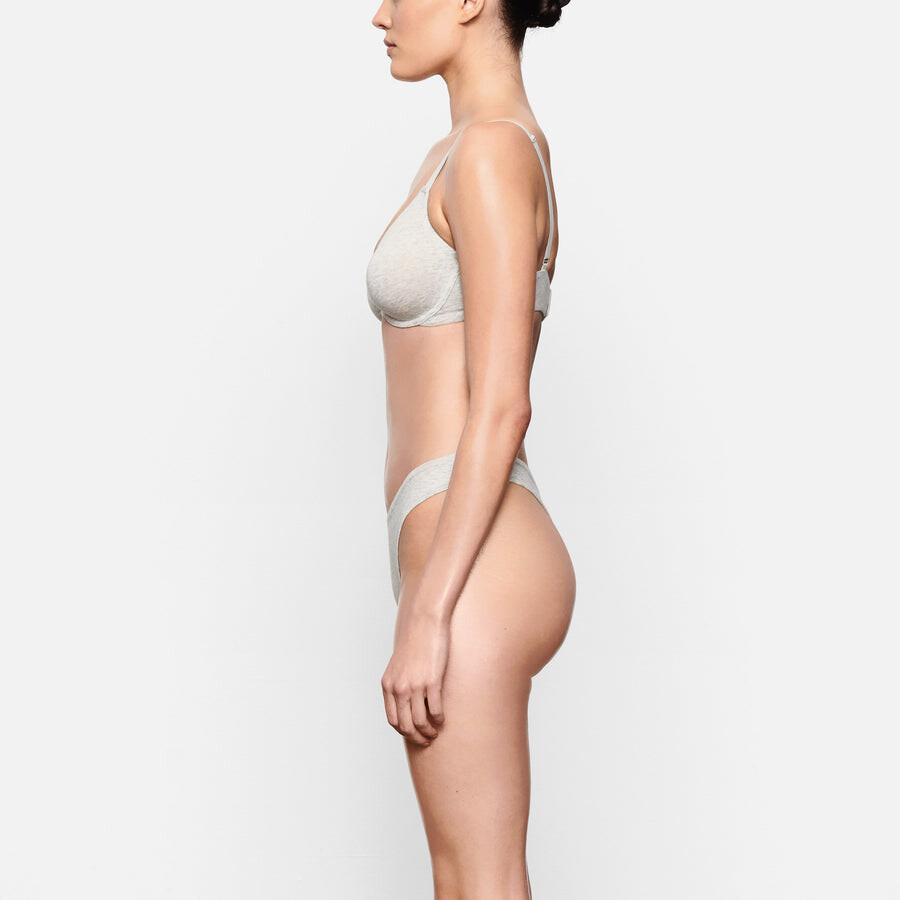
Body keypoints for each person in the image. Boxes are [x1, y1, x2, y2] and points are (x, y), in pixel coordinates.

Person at [367, 1, 576, 896]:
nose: (380, 14)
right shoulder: (465, 148)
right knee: (464, 882)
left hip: (477, 557)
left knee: (479, 881)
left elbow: (501, 406)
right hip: (459, 543)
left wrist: (427, 613)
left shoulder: (492, 150)